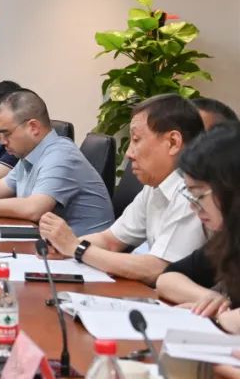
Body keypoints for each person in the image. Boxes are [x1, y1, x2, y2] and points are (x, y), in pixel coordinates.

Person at [40, 94, 206, 284]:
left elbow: (157, 269)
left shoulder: (192, 192)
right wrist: (64, 245)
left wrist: (76, 248)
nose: (128, 153)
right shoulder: (154, 187)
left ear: (173, 142)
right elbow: (111, 241)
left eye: (136, 139)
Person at [0, 90, 114, 235]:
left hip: (84, 251)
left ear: (33, 127)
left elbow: (34, 209)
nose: (2, 141)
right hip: (52, 245)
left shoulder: (61, 155)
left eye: (6, 133)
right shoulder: (29, 154)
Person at [155, 122, 240, 333]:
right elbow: (168, 278)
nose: (193, 207)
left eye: (199, 195)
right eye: (190, 196)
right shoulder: (229, 239)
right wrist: (211, 300)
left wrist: (222, 318)